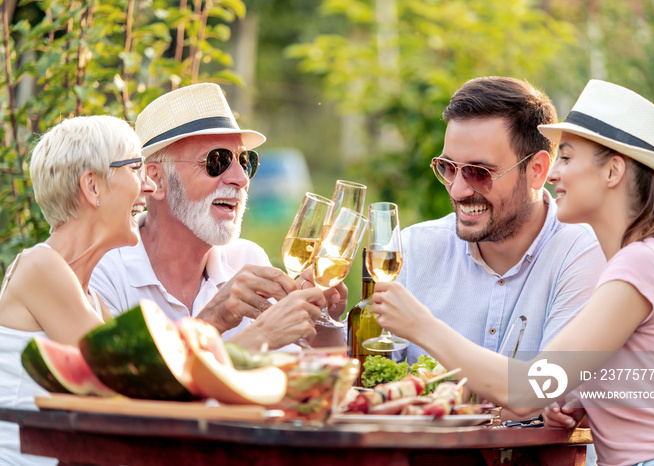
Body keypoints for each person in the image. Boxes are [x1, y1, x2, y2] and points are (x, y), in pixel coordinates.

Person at [372, 79, 654, 465]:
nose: (554, 174)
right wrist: (579, 400)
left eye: (567, 158)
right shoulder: (634, 261)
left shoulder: (638, 263)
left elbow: (529, 389)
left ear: (613, 172)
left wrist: (421, 325)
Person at [90, 83, 346, 350]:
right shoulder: (105, 271)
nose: (241, 178)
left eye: (245, 161)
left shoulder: (248, 260)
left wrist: (324, 323)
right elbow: (122, 387)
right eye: (217, 161)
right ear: (156, 180)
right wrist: (214, 318)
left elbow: (305, 378)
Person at [396, 76, 606, 365]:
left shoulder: (581, 252)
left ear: (537, 170)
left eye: (479, 172)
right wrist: (325, 324)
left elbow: (548, 388)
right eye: (447, 168)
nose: (458, 190)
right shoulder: (414, 248)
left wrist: (425, 329)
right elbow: (365, 377)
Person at [0, 115, 156, 465]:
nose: (149, 186)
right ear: (93, 187)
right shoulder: (39, 266)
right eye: (135, 169)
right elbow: (127, 382)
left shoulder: (91, 299)